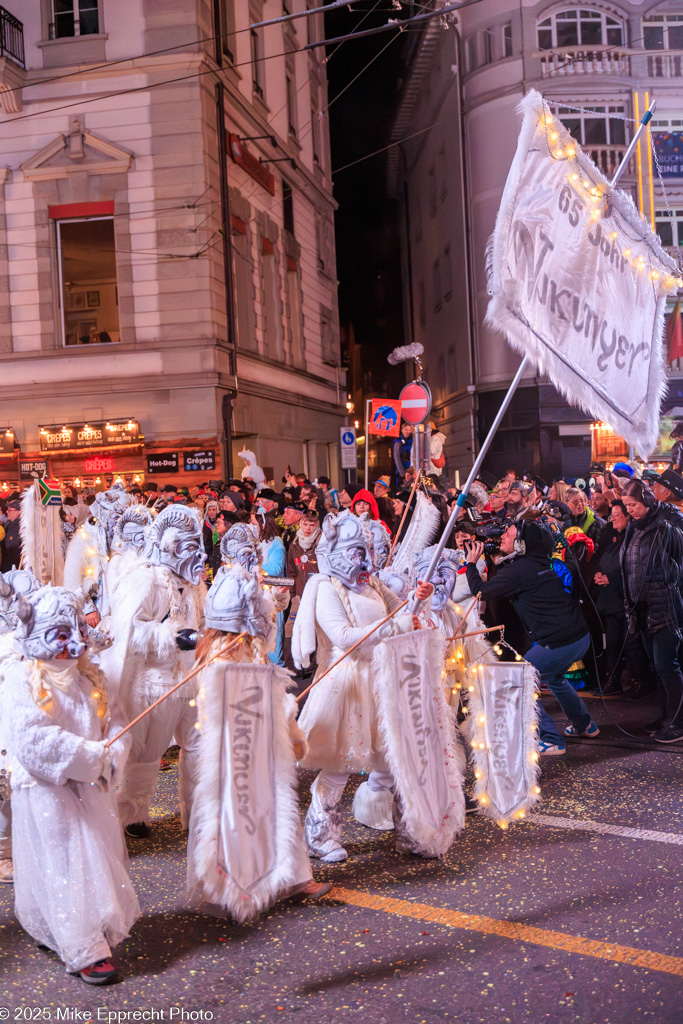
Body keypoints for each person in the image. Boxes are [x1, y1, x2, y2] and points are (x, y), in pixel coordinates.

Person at [0, 586, 139, 984]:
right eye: (62, 635)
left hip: (90, 785)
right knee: (65, 859)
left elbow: (115, 719)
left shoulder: (87, 678)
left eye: (77, 630)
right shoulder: (20, 681)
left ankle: (61, 924)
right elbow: (32, 740)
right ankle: (82, 945)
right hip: (48, 788)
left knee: (95, 852)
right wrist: (90, 756)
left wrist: (114, 748)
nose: (75, 643)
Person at [292, 511, 433, 861]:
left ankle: (410, 831)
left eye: (366, 552)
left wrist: (421, 597)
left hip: (383, 678)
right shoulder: (325, 587)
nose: (365, 561)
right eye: (357, 552)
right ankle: (320, 835)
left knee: (395, 759)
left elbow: (403, 613)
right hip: (348, 682)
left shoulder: (372, 584)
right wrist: (396, 627)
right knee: (342, 763)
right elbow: (343, 637)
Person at [98, 505, 206, 837]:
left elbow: (202, 619)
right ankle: (133, 812)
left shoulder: (192, 582)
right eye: (188, 546)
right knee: (145, 751)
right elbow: (126, 629)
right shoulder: (144, 576)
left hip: (189, 677)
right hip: (150, 681)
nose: (196, 554)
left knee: (200, 744)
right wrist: (171, 636)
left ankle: (200, 814)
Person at [465, 519, 599, 755]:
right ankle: (584, 725)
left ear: (522, 544)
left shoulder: (520, 569)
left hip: (557, 643)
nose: (503, 536)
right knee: (555, 678)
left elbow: (481, 592)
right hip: (579, 637)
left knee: (521, 681)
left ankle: (550, 739)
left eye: (509, 533)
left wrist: (470, 564)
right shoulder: (537, 562)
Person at [621, 479, 683, 743]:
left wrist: (668, 529)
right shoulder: (634, 527)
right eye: (626, 506)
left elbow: (679, 549)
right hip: (642, 608)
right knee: (657, 667)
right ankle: (666, 717)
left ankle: (678, 723)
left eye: (633, 505)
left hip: (666, 606)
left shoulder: (670, 518)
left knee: (667, 666)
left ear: (646, 500)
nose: (630, 510)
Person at [591, 500, 629, 693]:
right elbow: (602, 559)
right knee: (612, 644)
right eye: (611, 514)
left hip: (624, 602)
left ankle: (632, 683)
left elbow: (630, 569)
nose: (612, 518)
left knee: (628, 646)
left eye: (616, 514)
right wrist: (598, 574)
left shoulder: (631, 539)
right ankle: (612, 681)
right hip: (609, 602)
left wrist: (610, 579)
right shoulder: (611, 536)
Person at [1, 499, 22, 573]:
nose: (7, 512)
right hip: (6, 567)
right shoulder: (8, 523)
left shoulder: (20, 526)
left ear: (18, 512)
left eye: (10, 510)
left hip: (13, 569)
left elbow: (14, 549)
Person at [392, 423, 413, 489]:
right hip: (402, 469)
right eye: (406, 429)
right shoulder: (397, 442)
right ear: (402, 430)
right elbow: (397, 458)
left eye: (409, 429)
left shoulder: (414, 441)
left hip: (412, 469)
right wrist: (402, 473)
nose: (408, 431)